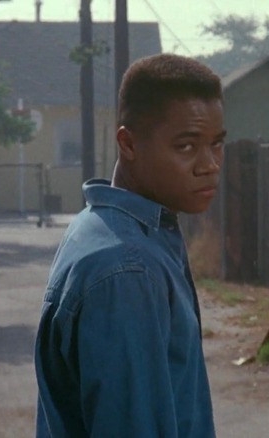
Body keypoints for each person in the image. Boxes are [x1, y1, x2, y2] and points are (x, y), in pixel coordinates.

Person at [34, 53, 225, 438]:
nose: (210, 164)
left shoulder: (102, 227)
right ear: (129, 143)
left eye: (216, 145)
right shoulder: (127, 269)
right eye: (186, 147)